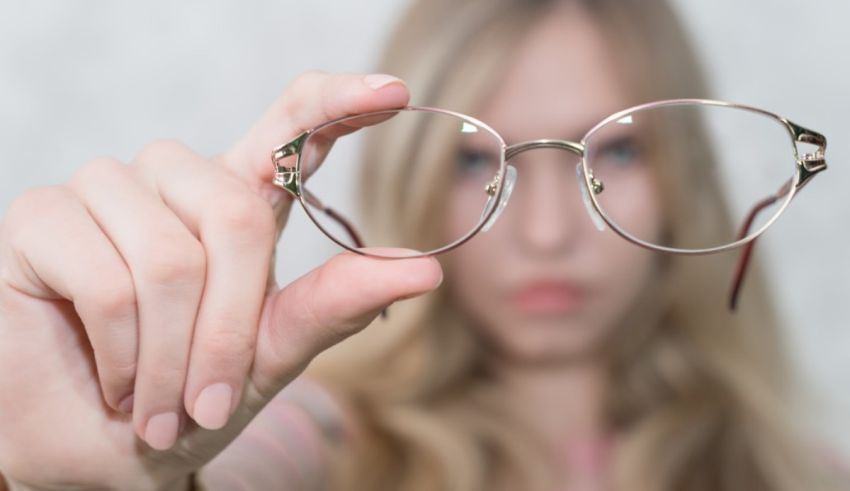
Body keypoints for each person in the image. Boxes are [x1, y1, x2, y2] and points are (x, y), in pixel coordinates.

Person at [0, 0, 844, 490]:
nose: (548, 233)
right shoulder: (322, 437)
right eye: (477, 156)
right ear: (409, 176)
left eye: (615, 149)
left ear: (681, 181)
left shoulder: (801, 471)